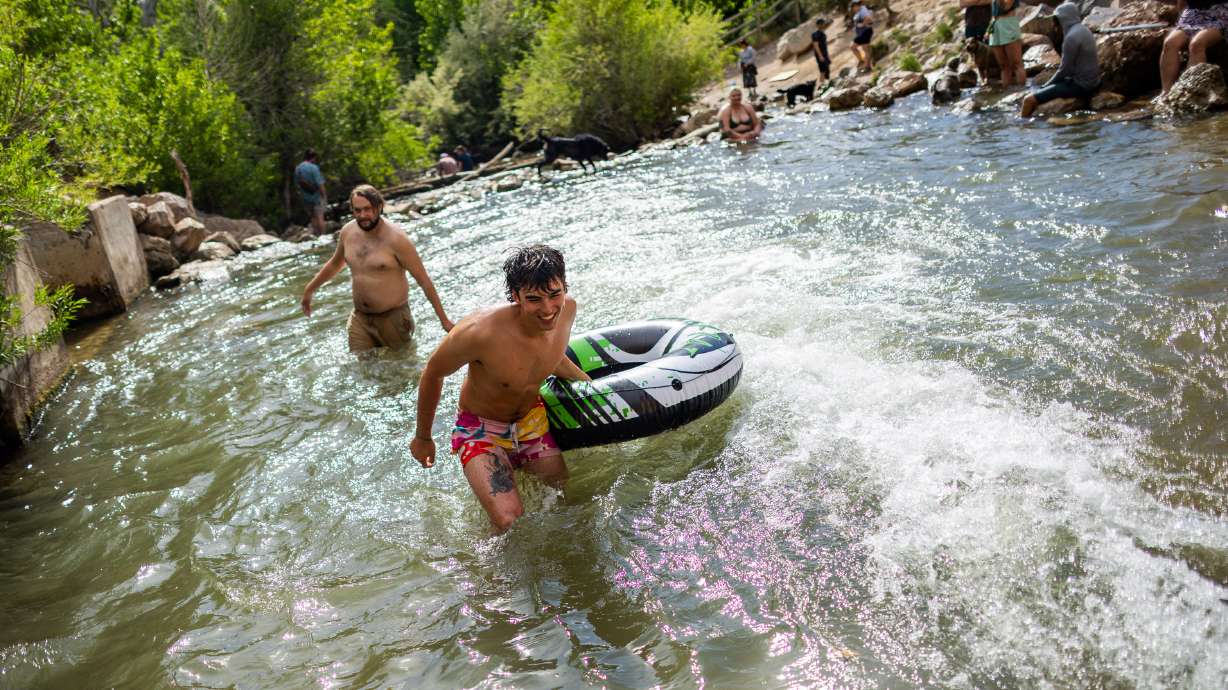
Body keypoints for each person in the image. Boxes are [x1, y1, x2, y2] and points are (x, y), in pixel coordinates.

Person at [410, 245, 590, 533]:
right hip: (482, 431)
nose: (547, 309)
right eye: (533, 299)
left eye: (555, 294)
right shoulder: (480, 332)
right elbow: (433, 372)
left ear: (565, 286)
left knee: (561, 502)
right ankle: (488, 574)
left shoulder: (567, 310)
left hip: (533, 424)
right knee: (509, 520)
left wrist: (593, 389)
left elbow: (551, 358)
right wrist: (423, 437)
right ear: (515, 296)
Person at [300, 184, 453, 352]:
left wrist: (444, 320)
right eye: (357, 210)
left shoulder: (397, 239)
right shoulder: (347, 232)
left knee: (400, 369)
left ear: (379, 207)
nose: (363, 215)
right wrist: (309, 289)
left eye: (368, 209)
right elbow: (335, 264)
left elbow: (424, 281)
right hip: (360, 318)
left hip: (393, 319)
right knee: (362, 370)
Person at [1021, 3, 1099, 117]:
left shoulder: (1071, 37)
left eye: (1056, 19)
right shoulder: (1084, 30)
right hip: (1093, 83)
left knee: (1028, 100)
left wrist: (1045, 86)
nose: (1054, 23)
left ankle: (1021, 126)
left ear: (1063, 19)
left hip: (1081, 86)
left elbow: (1064, 70)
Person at [1159, 0, 1228, 95]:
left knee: (1197, 44)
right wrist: (1181, 18)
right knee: (1169, 44)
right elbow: (1182, 3)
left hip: (1221, 12)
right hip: (1193, 13)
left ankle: (1190, 91)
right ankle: (1166, 92)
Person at [987, 0, 1026, 87]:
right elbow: (994, 14)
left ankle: (1022, 91)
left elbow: (1006, 7)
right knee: (1003, 66)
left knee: (1016, 64)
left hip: (1009, 25)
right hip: (995, 27)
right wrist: (989, 29)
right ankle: (1007, 93)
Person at [293, 149, 328, 236]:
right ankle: (323, 237)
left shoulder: (298, 168)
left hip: (305, 197)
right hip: (316, 196)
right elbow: (320, 184)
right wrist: (324, 195)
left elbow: (297, 184)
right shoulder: (314, 168)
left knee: (312, 217)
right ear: (314, 157)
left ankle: (316, 236)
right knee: (320, 216)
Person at [960, 0, 993, 82]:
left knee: (989, 53)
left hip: (986, 23)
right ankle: (983, 80)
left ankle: (990, 79)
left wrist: (972, 2)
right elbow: (962, 3)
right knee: (974, 56)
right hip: (971, 24)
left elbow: (992, 1)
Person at [851, 1, 875, 72]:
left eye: (853, 6)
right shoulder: (858, 12)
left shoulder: (863, 9)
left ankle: (868, 66)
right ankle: (862, 61)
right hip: (861, 33)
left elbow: (868, 19)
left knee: (865, 49)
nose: (853, 8)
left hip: (865, 32)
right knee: (853, 47)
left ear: (856, 5)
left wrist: (862, 24)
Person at [812, 18, 833, 84]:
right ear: (818, 25)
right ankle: (821, 85)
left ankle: (827, 82)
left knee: (827, 68)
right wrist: (820, 56)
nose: (823, 25)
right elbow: (816, 45)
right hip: (820, 54)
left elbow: (823, 43)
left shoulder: (822, 33)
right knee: (822, 70)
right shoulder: (815, 34)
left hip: (825, 53)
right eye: (821, 24)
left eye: (823, 23)